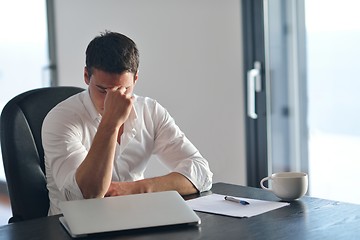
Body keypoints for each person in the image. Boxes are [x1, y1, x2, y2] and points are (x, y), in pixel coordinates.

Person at [42, 31, 213, 215]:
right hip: (72, 226)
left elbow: (201, 173)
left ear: (136, 79)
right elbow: (85, 197)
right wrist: (110, 122)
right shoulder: (60, 119)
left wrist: (135, 189)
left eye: (123, 89)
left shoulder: (150, 111)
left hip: (134, 219)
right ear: (86, 76)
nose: (112, 99)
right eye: (103, 90)